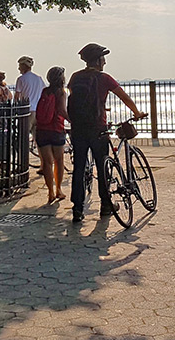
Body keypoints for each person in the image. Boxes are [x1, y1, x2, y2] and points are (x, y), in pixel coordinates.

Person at [67, 43, 147, 223]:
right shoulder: (104, 78)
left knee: (79, 169)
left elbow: (78, 100)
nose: (105, 62)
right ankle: (105, 205)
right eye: (103, 58)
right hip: (97, 129)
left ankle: (77, 210)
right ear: (98, 60)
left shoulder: (75, 77)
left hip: (78, 129)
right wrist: (137, 113)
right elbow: (124, 97)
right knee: (103, 166)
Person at [35, 66, 69, 204]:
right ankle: (59, 189)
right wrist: (73, 120)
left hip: (42, 129)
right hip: (56, 129)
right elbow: (62, 110)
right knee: (58, 161)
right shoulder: (61, 92)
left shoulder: (45, 91)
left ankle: (50, 191)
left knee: (47, 163)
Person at [14, 56, 45, 173]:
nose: (18, 68)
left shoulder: (21, 79)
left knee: (22, 140)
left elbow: (17, 96)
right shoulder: (39, 78)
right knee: (39, 141)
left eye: (20, 65)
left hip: (26, 111)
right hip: (38, 111)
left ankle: (22, 165)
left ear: (23, 66)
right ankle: (43, 165)